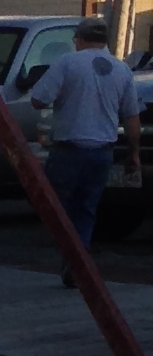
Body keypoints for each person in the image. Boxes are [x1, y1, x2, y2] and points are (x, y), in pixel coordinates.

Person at [28, 18, 144, 281]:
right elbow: (132, 118)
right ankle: (79, 258)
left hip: (67, 150)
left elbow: (38, 100)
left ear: (79, 39)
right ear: (104, 41)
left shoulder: (67, 63)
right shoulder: (122, 70)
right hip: (102, 153)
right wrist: (134, 153)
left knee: (56, 208)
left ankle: (70, 256)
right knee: (86, 209)